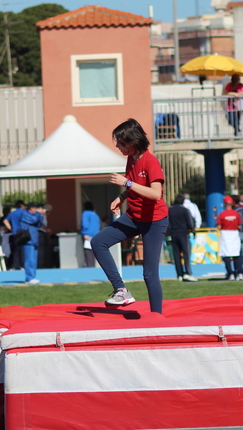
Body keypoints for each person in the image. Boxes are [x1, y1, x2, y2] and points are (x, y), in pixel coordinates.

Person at [91, 119, 169, 313]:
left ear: (132, 142)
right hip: (133, 216)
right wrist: (121, 196)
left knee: (149, 275)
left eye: (120, 143)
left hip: (154, 221)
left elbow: (155, 193)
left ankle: (156, 317)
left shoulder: (151, 162)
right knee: (98, 242)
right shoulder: (131, 159)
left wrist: (126, 184)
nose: (117, 146)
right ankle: (121, 289)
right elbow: (133, 185)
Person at [168, 194, 197, 282]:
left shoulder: (170, 210)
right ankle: (187, 272)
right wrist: (193, 230)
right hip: (183, 233)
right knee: (186, 254)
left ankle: (179, 274)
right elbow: (190, 222)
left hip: (173, 233)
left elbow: (167, 222)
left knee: (176, 255)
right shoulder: (185, 210)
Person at [217, 196, 243, 280]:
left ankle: (230, 273)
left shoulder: (222, 214)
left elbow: (219, 226)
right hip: (234, 234)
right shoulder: (236, 213)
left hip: (225, 234)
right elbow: (239, 225)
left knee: (226, 255)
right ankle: (239, 273)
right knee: (237, 254)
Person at [20, 203, 45, 285]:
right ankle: (29, 278)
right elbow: (33, 220)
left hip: (34, 240)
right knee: (29, 260)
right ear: (31, 208)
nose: (36, 210)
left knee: (33, 261)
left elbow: (39, 223)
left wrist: (41, 215)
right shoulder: (25, 214)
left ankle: (32, 277)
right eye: (35, 208)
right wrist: (39, 214)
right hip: (28, 241)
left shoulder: (35, 215)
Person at [5, 200, 26, 270]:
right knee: (23, 250)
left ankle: (14, 265)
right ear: (22, 206)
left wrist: (10, 228)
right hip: (23, 233)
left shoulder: (13, 213)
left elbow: (5, 221)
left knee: (15, 250)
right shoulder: (24, 212)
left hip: (15, 234)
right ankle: (22, 265)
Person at [80, 201, 101, 267]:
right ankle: (93, 270)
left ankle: (90, 271)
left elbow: (85, 224)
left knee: (88, 256)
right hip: (96, 236)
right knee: (93, 254)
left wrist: (83, 233)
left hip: (87, 236)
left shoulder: (85, 213)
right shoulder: (95, 215)